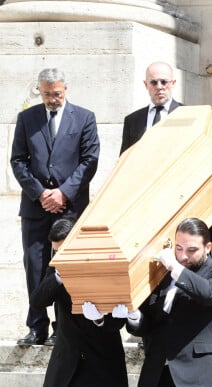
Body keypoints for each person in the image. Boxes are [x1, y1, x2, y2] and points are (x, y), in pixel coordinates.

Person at [11, 67, 100, 346]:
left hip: (70, 208)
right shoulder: (27, 118)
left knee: (67, 267)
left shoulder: (85, 117)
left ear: (66, 89)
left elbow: (90, 160)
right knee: (34, 266)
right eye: (47, 94)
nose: (52, 99)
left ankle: (63, 327)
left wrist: (63, 193)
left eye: (57, 93)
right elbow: (18, 160)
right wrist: (40, 193)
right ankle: (36, 326)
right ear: (40, 91)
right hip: (35, 208)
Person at [126, 218, 212, 387]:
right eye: (178, 248)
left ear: (208, 247)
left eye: (191, 250)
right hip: (157, 372)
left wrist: (175, 268)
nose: (183, 256)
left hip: (199, 374)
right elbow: (150, 324)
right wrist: (134, 316)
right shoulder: (161, 276)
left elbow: (210, 293)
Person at [30, 218, 129, 387]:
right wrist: (57, 277)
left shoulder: (105, 266)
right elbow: (37, 301)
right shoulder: (56, 268)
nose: (59, 257)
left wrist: (99, 319)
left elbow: (118, 321)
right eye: (56, 252)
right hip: (66, 364)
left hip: (102, 363)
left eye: (64, 252)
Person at [119, 61, 182, 154]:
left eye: (164, 82)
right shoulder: (132, 120)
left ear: (173, 83)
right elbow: (124, 159)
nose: (159, 87)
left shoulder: (187, 114)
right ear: (146, 84)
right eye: (154, 82)